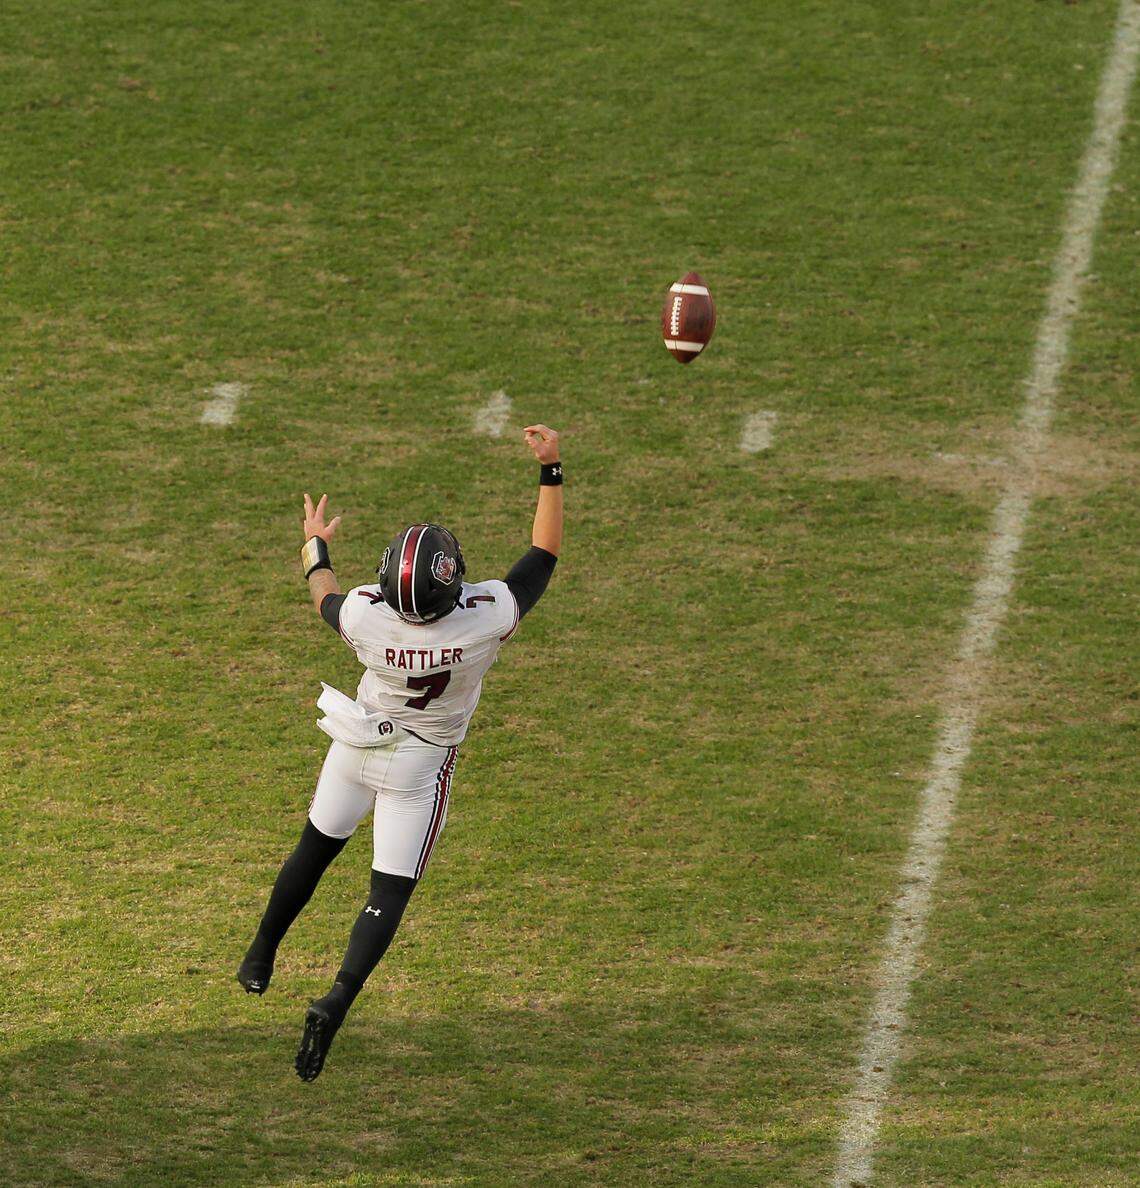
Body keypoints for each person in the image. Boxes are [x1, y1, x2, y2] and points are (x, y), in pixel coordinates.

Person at [237, 425, 563, 1082]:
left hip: (356, 741)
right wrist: (550, 469)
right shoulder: (484, 618)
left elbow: (323, 591)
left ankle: (259, 954)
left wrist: (314, 540)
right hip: (420, 763)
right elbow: (542, 555)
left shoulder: (365, 618)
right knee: (387, 890)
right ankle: (336, 998)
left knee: (314, 847)